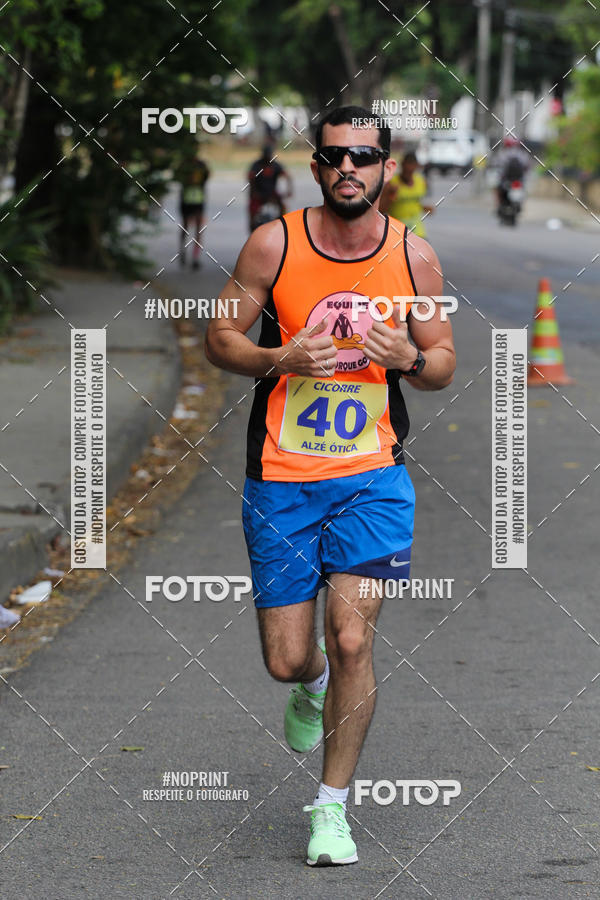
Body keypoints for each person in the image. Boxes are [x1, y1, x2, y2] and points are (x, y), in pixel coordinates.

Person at [205, 106, 455, 867]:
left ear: (387, 167)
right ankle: (305, 686)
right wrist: (279, 361)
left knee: (352, 637)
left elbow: (443, 360)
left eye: (366, 156)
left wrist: (406, 357)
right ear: (316, 166)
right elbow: (220, 337)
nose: (351, 167)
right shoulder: (273, 243)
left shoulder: (415, 256)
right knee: (289, 657)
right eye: (337, 156)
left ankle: (331, 810)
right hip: (282, 478)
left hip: (372, 477)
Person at [379, 151, 433, 237]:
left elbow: (415, 203)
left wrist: (425, 208)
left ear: (416, 167)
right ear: (402, 165)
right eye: (406, 170)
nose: (408, 173)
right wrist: (390, 196)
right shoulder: (392, 184)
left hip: (418, 232)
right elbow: (380, 211)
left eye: (411, 171)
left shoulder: (420, 182)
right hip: (398, 233)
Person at [176, 150, 210, 268]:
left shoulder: (201, 165)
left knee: (198, 229)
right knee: (185, 227)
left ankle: (195, 257)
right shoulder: (184, 166)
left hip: (198, 201)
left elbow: (207, 177)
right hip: (186, 200)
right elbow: (177, 177)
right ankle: (183, 251)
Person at [248, 145, 293, 231]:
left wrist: (289, 190)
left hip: (272, 193)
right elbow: (251, 178)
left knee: (283, 206)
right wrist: (253, 192)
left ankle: (283, 225)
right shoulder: (256, 165)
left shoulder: (275, 165)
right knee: (252, 208)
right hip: (259, 193)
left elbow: (288, 176)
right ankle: (252, 226)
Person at [495, 135, 529, 211]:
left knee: (497, 188)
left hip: (506, 180)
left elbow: (497, 165)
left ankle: (498, 206)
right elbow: (527, 166)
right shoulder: (523, 154)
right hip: (518, 179)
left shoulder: (503, 153)